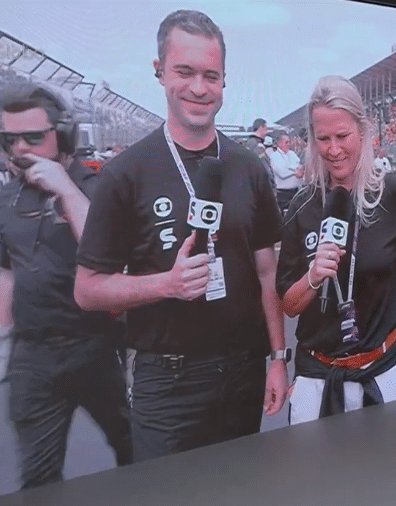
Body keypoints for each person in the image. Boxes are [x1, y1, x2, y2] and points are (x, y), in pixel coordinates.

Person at [74, 9, 288, 462]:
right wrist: (165, 284)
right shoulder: (125, 173)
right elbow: (88, 290)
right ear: (160, 72)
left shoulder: (250, 168)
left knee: (240, 489)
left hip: (243, 373)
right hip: (167, 384)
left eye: (211, 76)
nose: (198, 88)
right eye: (184, 72)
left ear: (224, 81)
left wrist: (278, 358)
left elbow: (267, 272)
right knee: (168, 491)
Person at [276, 75, 396, 424]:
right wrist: (313, 277)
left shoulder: (389, 192)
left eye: (342, 136)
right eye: (323, 139)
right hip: (317, 377)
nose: (333, 149)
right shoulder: (302, 206)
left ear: (363, 133)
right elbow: (289, 306)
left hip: (381, 372)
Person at [0, 84, 132, 488]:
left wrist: (65, 189)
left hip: (96, 345)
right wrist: (4, 340)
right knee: (38, 475)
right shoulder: (8, 198)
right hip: (33, 353)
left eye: (32, 137)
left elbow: (107, 253)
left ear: (63, 135)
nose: (20, 149)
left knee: (135, 448)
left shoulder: (95, 187)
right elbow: (6, 271)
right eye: (9, 140)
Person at [269, 132, 303, 214]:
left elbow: (299, 165)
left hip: (295, 191)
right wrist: (295, 172)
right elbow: (282, 173)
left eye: (289, 142)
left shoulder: (292, 153)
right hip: (283, 193)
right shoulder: (274, 156)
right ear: (279, 144)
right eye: (286, 142)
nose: (288, 144)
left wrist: (292, 168)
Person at [245, 117, 275, 190]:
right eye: (266, 129)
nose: (266, 132)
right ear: (261, 127)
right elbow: (264, 167)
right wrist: (272, 183)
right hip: (260, 185)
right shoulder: (258, 145)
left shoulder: (249, 143)